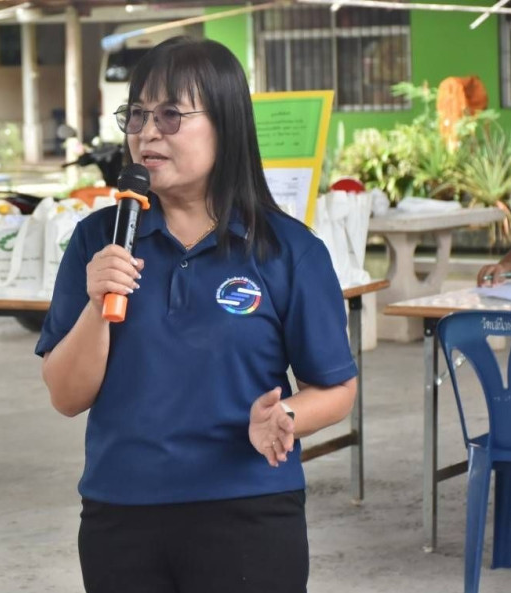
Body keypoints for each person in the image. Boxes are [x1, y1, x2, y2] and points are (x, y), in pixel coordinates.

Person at [35, 37, 357, 593]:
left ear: (226, 125)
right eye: (137, 115)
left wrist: (285, 418)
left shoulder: (286, 250)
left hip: (249, 511)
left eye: (170, 115)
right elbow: (66, 397)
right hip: (121, 512)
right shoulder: (98, 240)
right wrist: (97, 306)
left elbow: (336, 389)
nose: (147, 133)